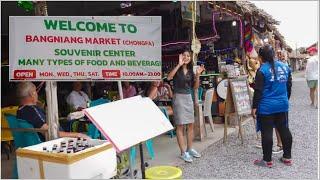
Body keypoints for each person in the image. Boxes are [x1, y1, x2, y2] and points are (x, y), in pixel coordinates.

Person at [252, 45, 293, 168]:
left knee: (267, 131)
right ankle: (287, 157)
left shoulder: (262, 70)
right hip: (282, 104)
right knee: (284, 129)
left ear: (260, 57)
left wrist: (254, 107)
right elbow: (289, 86)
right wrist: (284, 99)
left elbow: (258, 91)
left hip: (266, 107)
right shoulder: (285, 67)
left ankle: (267, 160)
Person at [16, 82, 90, 142]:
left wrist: (40, 108)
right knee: (85, 138)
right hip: (53, 142)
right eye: (36, 91)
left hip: (42, 142)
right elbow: (50, 133)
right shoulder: (32, 111)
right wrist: (76, 135)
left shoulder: (21, 110)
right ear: (32, 94)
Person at [167, 49, 205, 163]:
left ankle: (190, 148)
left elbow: (195, 87)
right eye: (184, 55)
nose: (186, 57)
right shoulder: (177, 69)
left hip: (188, 98)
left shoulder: (190, 72)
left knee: (190, 125)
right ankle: (183, 152)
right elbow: (169, 78)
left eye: (188, 56)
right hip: (178, 98)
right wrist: (179, 64)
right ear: (180, 57)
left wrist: (198, 75)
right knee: (180, 126)